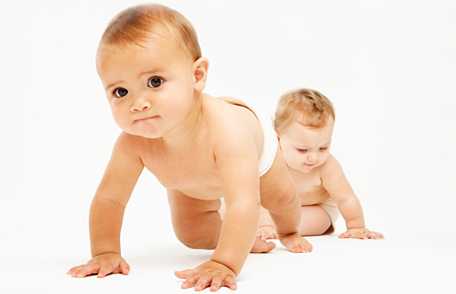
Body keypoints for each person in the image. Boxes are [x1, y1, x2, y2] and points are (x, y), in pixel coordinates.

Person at [67, 4, 310, 291]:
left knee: (281, 199)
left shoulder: (228, 132)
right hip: (189, 181)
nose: (138, 103)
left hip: (251, 157)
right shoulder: (133, 143)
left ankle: (289, 230)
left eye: (154, 82)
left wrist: (224, 263)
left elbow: (243, 203)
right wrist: (105, 251)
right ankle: (245, 239)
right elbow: (110, 199)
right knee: (192, 234)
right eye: (121, 91)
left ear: (197, 76)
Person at [256, 88, 384, 241]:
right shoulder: (270, 160)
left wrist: (356, 227)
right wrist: (263, 222)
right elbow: (257, 196)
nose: (314, 157)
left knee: (303, 221)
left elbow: (346, 198)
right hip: (275, 207)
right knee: (248, 209)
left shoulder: (327, 166)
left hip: (316, 209)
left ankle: (274, 229)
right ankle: (263, 228)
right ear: (278, 137)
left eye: (323, 148)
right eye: (302, 150)